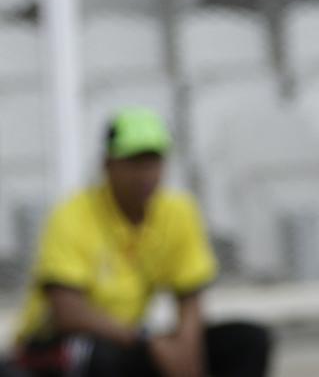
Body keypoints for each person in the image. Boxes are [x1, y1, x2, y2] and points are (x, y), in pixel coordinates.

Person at [9, 107, 272, 377]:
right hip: (57, 346)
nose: (145, 174)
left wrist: (186, 349)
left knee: (247, 340)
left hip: (129, 338)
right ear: (107, 164)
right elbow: (68, 313)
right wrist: (147, 341)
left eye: (153, 162)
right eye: (134, 162)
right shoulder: (72, 215)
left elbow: (190, 297)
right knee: (97, 355)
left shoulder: (177, 212)